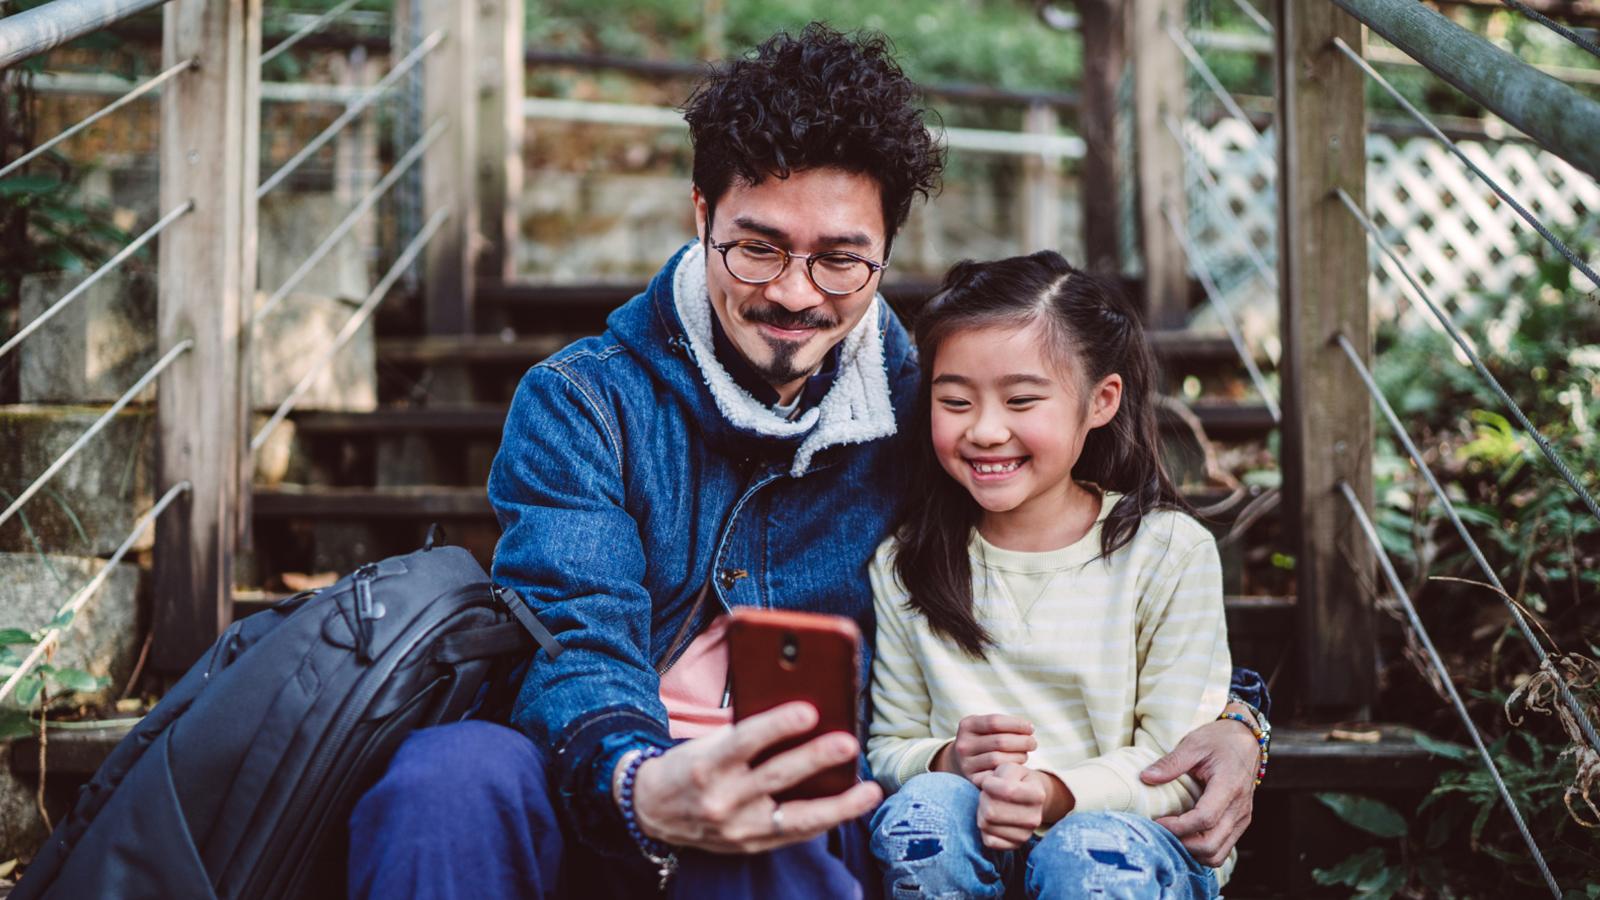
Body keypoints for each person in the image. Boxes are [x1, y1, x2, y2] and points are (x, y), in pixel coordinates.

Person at [347, 25, 1269, 900]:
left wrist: (1238, 723)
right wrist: (640, 781)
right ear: (701, 213)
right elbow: (574, 637)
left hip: (798, 809)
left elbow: (1066, 558)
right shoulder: (583, 402)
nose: (793, 293)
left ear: (886, 254)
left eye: (840, 260)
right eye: (757, 248)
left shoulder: (930, 414)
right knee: (444, 778)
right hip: (592, 777)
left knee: (786, 822)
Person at [865, 253, 1256, 899]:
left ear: (1100, 401)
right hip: (974, 839)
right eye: (955, 400)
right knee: (925, 808)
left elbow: (1180, 765)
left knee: (1085, 850)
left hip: (1129, 839)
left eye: (1022, 400)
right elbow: (890, 746)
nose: (986, 430)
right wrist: (948, 759)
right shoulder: (908, 562)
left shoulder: (1165, 553)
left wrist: (1056, 794)